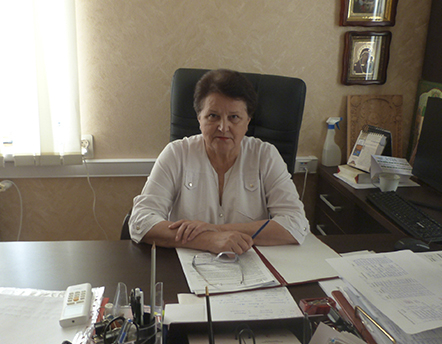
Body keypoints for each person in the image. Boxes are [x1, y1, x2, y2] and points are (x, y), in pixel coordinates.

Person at [129, 69, 309, 255]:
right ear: (199, 119)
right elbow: (140, 221)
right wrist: (208, 240)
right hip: (184, 264)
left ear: (247, 121)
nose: (223, 127)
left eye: (234, 117)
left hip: (249, 262)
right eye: (213, 116)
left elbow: (296, 223)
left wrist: (215, 230)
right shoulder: (176, 153)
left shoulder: (265, 155)